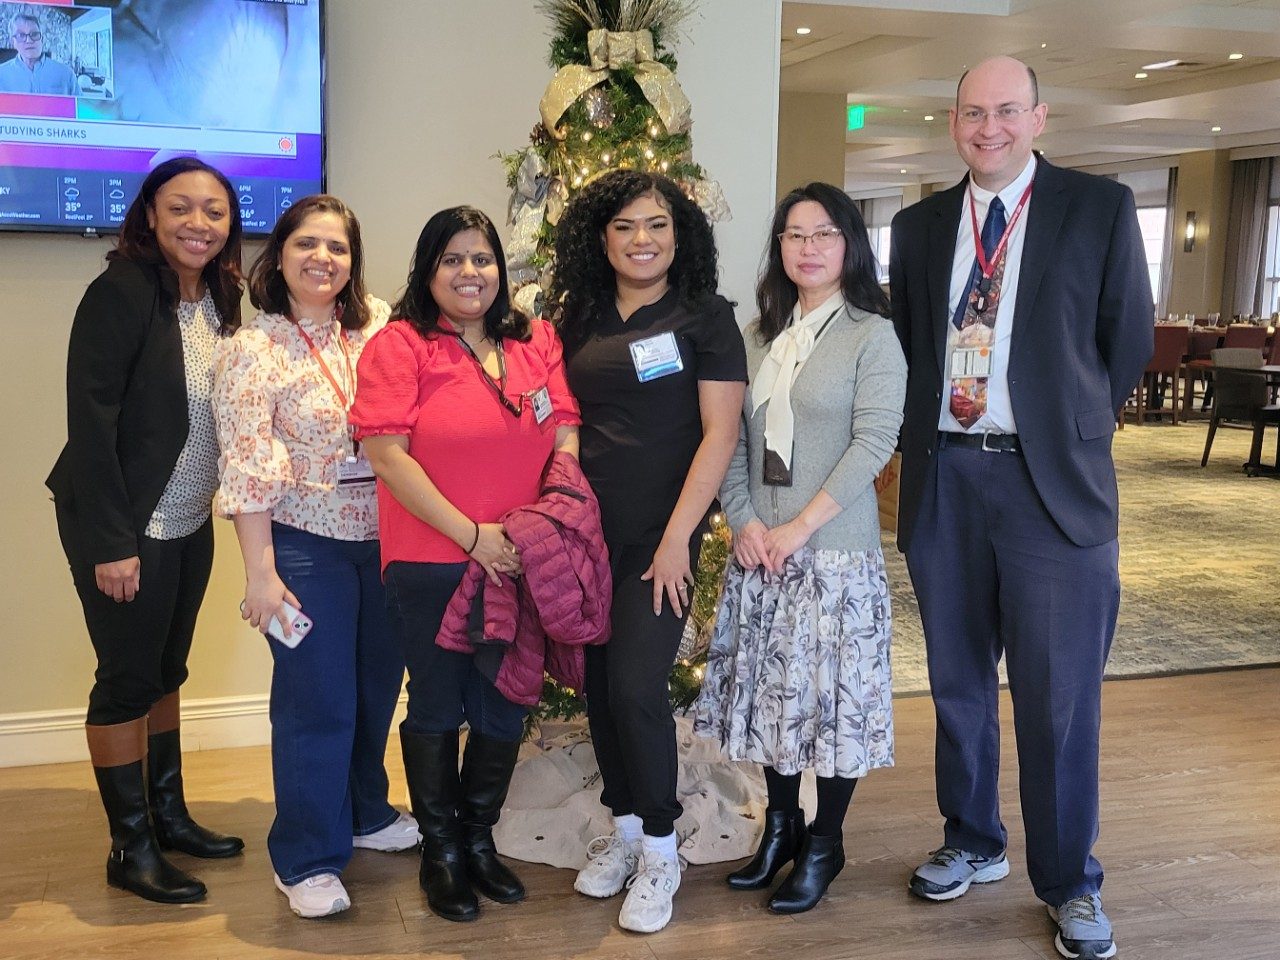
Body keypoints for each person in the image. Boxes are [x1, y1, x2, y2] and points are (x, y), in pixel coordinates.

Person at [888, 56, 1152, 960]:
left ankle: (1071, 883)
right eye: (972, 112)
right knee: (959, 685)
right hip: (946, 482)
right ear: (951, 122)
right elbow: (914, 348)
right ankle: (971, 839)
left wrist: (1063, 426)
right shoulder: (920, 225)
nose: (988, 127)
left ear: (1040, 117)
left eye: (1006, 111)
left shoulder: (1098, 208)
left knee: (1057, 701)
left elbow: (1127, 341)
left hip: (1052, 491)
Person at [350, 206, 580, 923]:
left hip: (521, 557)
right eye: (452, 259)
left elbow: (565, 425)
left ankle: (480, 842)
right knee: (439, 703)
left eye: (481, 259)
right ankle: (441, 851)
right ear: (427, 270)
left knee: (505, 699)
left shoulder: (536, 338)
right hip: (433, 558)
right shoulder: (400, 345)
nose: (469, 272)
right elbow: (386, 454)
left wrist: (543, 516)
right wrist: (472, 535)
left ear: (500, 270)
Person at [693, 182, 905, 914]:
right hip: (762, 553)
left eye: (823, 234)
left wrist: (798, 527)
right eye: (793, 234)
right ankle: (779, 829)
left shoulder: (871, 335)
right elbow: (729, 441)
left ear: (849, 244)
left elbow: (872, 443)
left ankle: (826, 843)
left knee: (831, 710)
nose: (808, 248)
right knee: (773, 705)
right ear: (778, 246)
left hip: (832, 556)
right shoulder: (758, 337)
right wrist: (746, 521)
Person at [45, 157, 246, 904]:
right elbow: (89, 425)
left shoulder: (220, 294)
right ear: (151, 216)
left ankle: (168, 816)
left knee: (167, 672)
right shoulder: (121, 292)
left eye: (215, 211)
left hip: (189, 520)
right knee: (126, 681)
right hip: (128, 523)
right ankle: (128, 848)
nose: (199, 223)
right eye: (182, 208)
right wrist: (112, 543)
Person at [211, 194, 417, 919]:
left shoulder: (382, 328)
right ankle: (304, 857)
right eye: (308, 244)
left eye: (337, 247)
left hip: (386, 543)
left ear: (353, 261)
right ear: (280, 255)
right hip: (303, 547)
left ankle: (365, 811)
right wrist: (260, 574)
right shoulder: (251, 350)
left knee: (370, 694)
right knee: (316, 705)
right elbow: (245, 468)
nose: (322, 259)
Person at [552, 171, 747, 934]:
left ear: (680, 234)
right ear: (602, 238)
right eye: (627, 226)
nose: (643, 240)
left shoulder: (706, 318)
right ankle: (624, 828)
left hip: (658, 538)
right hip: (583, 536)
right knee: (600, 687)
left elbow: (720, 434)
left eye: (658, 225)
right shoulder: (580, 317)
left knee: (636, 686)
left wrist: (676, 542)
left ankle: (662, 847)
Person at [0, 13, 78, 95]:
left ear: (42, 39)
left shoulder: (67, 74)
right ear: (13, 42)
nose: (29, 40)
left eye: (34, 34)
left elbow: (81, 106)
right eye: (21, 35)